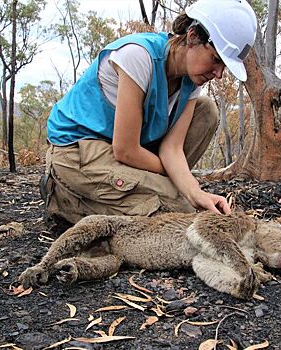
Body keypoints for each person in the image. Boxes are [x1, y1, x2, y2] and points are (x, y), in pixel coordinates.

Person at [40, 0, 257, 230]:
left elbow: (172, 149)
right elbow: (125, 150)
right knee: (178, 208)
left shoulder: (192, 82)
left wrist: (194, 191)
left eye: (224, 66)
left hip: (125, 154)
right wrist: (177, 182)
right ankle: (64, 200)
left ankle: (141, 193)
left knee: (207, 112)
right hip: (78, 148)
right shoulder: (138, 57)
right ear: (193, 36)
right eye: (216, 59)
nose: (219, 74)